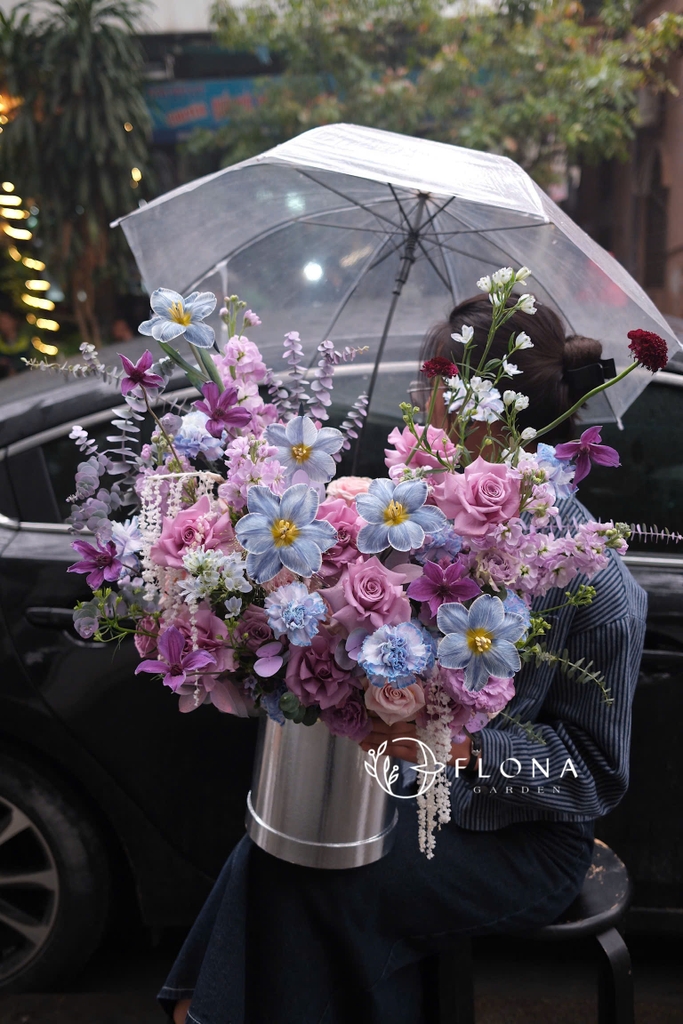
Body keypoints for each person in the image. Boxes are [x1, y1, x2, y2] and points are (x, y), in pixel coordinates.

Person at [162, 296, 647, 1024]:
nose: (421, 411)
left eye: (432, 393)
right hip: (410, 798)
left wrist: (456, 746)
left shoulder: (595, 584)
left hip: (521, 844)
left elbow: (594, 773)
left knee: (315, 883)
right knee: (279, 850)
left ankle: (200, 1011)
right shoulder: (424, 518)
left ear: (481, 415)